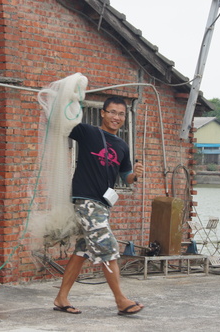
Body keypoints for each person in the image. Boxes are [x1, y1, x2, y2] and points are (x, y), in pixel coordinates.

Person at [53, 96, 144, 316]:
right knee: (108, 247)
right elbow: (62, 122)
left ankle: (61, 297)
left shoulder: (122, 145)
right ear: (103, 113)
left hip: (102, 205)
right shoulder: (87, 132)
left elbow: (126, 176)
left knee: (83, 250)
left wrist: (135, 176)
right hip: (86, 200)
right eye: (112, 112)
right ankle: (121, 300)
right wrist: (71, 98)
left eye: (121, 114)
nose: (117, 117)